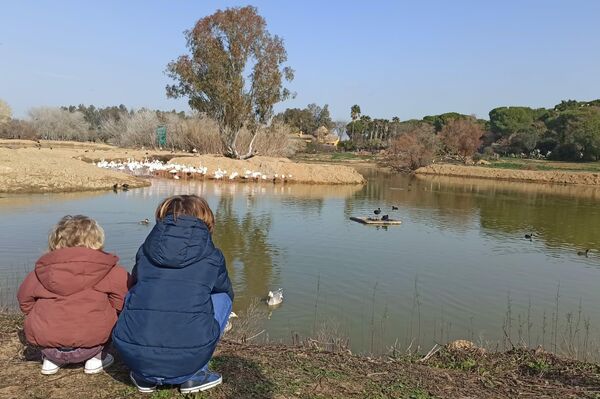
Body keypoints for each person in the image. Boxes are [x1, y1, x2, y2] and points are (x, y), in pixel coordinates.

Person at [112, 195, 233, 394]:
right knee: (222, 296)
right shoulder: (213, 256)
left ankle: (145, 376)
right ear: (206, 220)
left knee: (136, 290)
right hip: (188, 360)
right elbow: (224, 289)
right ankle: (196, 373)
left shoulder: (145, 251)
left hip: (136, 360)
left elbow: (136, 284)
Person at [17, 215, 128, 375]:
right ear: (97, 240)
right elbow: (122, 302)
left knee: (47, 326)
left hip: (49, 346)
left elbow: (24, 300)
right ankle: (96, 359)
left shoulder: (41, 271)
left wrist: (37, 316)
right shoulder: (110, 270)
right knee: (113, 314)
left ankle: (51, 361)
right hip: (93, 344)